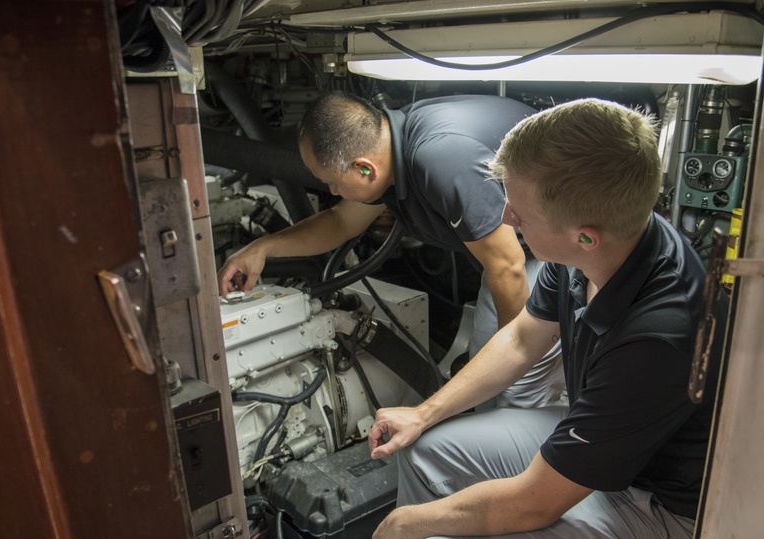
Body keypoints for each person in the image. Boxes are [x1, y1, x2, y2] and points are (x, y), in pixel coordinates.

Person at [360, 98, 727, 539]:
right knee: (425, 450)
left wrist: (401, 523)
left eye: (520, 212)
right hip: (609, 452)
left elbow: (533, 504)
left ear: (585, 234)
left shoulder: (659, 334)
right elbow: (524, 339)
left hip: (665, 516)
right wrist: (425, 412)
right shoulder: (594, 251)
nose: (505, 216)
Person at [217, 91, 564, 408]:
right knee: (491, 385)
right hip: (517, 252)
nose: (333, 190)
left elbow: (508, 267)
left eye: (333, 181)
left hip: (560, 246)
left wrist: (512, 358)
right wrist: (263, 248)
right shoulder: (387, 148)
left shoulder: (438, 157)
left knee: (510, 392)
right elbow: (340, 223)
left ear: (365, 168)